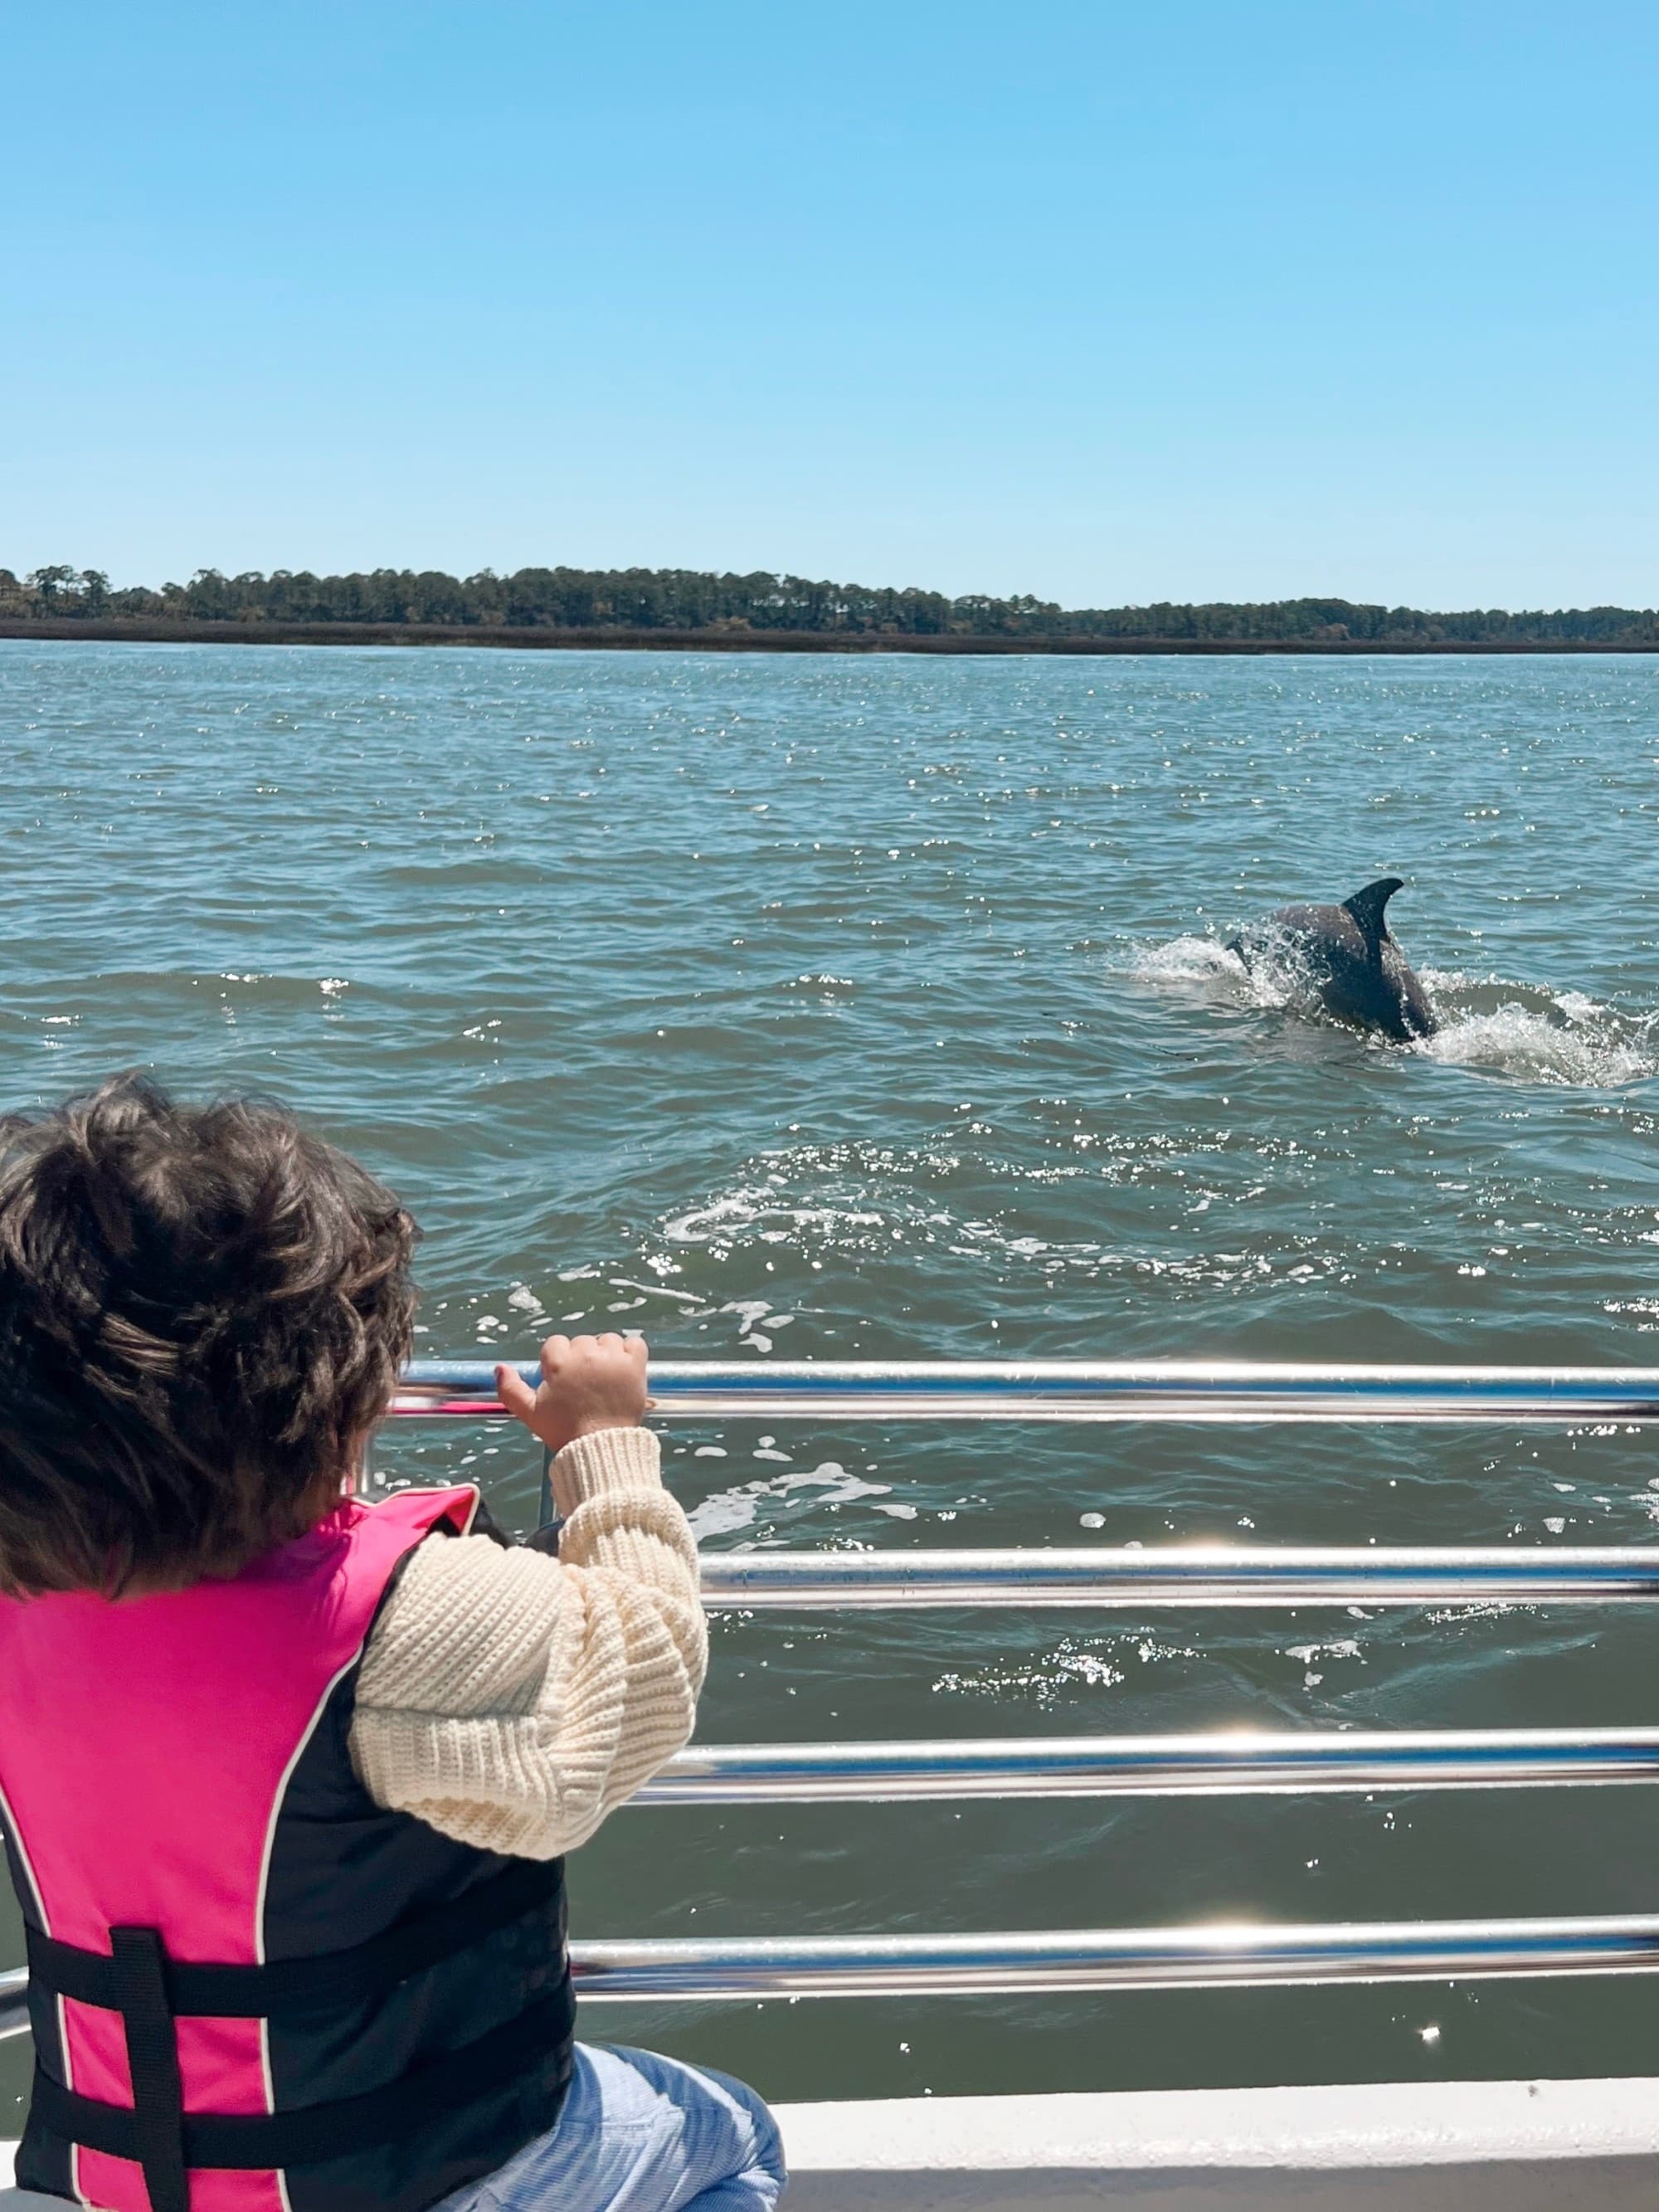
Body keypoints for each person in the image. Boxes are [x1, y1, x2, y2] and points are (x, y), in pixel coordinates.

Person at [0, 1074, 786, 2212]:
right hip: (417, 2177)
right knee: (729, 2134)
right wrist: (606, 1448)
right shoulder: (399, 1622)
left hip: (114, 2182)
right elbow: (637, 1683)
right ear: (331, 1393)